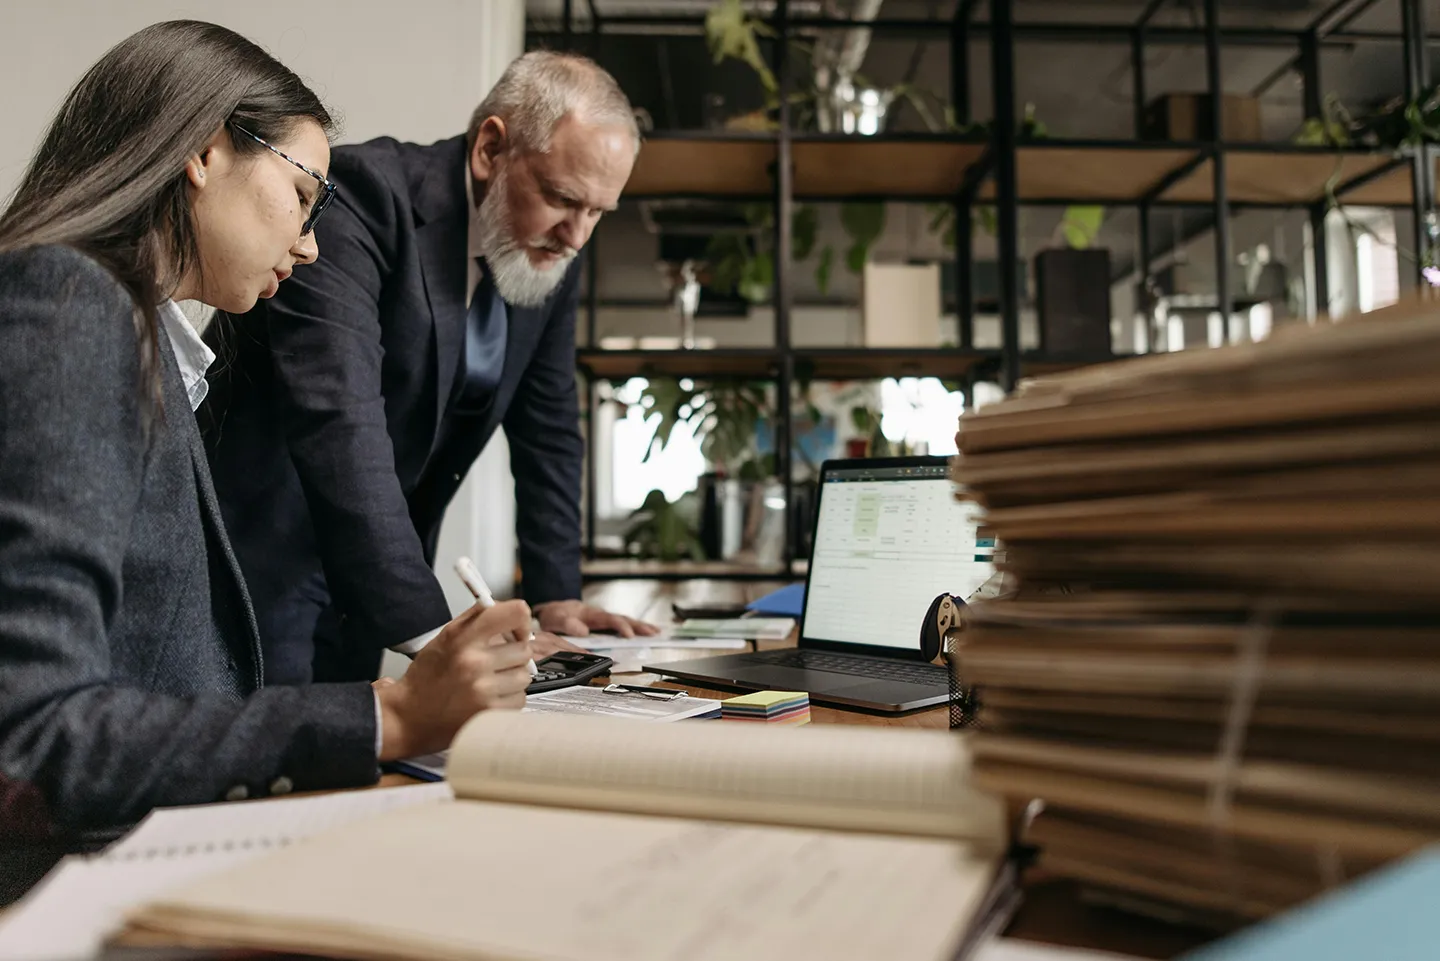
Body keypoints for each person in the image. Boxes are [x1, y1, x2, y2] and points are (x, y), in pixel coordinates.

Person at [0, 20, 534, 841]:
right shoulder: (71, 308)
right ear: (205, 151)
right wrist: (390, 716)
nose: (313, 244)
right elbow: (37, 737)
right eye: (303, 197)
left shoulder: (142, 343)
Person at [203, 50, 657, 686]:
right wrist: (436, 634)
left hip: (363, 594)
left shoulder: (553, 249)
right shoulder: (362, 197)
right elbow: (340, 419)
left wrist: (557, 596)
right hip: (258, 565)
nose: (578, 235)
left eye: (598, 212)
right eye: (561, 198)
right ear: (490, 149)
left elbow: (549, 427)